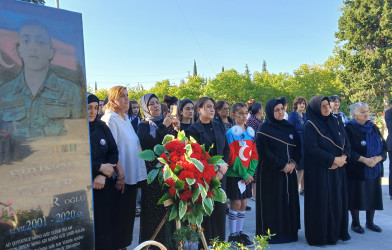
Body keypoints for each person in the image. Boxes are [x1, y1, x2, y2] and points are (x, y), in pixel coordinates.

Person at [0, 20, 82, 139]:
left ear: (51, 52)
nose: (33, 47)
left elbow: (78, 137)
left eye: (40, 41)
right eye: (26, 41)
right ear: (19, 50)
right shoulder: (4, 92)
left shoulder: (71, 91)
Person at [101, 86, 147, 249]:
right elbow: (112, 150)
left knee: (128, 218)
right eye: (123, 97)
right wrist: (120, 175)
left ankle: (124, 246)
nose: (127, 99)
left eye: (127, 96)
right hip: (120, 179)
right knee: (120, 218)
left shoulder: (125, 118)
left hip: (131, 176)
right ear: (113, 100)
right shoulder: (110, 119)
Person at [303, 95, 351, 246]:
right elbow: (312, 148)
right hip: (320, 171)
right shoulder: (310, 125)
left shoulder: (335, 121)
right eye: (322, 106)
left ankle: (336, 233)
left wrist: (344, 157)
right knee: (322, 203)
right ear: (316, 108)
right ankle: (321, 236)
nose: (326, 108)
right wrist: (332, 160)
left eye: (327, 105)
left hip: (338, 170)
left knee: (338, 201)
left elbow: (346, 141)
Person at [255, 98, 301, 244]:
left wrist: (293, 163)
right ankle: (272, 235)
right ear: (270, 111)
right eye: (276, 110)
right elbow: (264, 152)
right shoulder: (263, 129)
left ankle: (289, 232)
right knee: (273, 203)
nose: (281, 112)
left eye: (282, 109)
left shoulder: (290, 127)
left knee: (288, 201)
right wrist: (282, 165)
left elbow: (298, 148)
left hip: (289, 173)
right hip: (270, 173)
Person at [137, 93, 179, 249]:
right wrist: (164, 126)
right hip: (152, 174)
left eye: (157, 103)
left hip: (169, 171)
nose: (155, 106)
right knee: (154, 210)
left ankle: (169, 244)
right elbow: (148, 143)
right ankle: (153, 245)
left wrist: (175, 129)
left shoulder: (165, 121)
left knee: (168, 209)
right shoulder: (143, 125)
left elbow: (173, 143)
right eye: (151, 104)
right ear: (145, 108)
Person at [186, 97, 230, 244]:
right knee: (205, 211)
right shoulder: (192, 130)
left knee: (219, 210)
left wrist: (222, 168)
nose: (212, 110)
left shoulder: (218, 126)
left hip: (220, 176)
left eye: (213, 107)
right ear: (199, 109)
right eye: (208, 107)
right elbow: (196, 155)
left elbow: (225, 149)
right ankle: (205, 245)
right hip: (202, 177)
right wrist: (215, 167)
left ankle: (219, 243)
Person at [88, 94, 123, 250]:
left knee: (105, 226)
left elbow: (113, 151)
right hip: (86, 188)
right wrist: (98, 167)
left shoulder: (102, 126)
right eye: (89, 108)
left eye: (96, 108)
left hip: (103, 185)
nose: (93, 112)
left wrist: (102, 175)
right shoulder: (72, 129)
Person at [345, 102, 387, 234]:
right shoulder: (349, 128)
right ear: (354, 114)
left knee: (373, 195)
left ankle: (370, 222)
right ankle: (356, 223)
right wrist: (364, 160)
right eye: (362, 111)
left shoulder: (373, 127)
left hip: (374, 167)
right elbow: (348, 150)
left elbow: (384, 147)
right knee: (355, 196)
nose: (366, 113)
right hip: (357, 168)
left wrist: (378, 158)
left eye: (367, 111)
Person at [226, 103, 258, 248]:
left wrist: (250, 172)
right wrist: (244, 173)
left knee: (244, 203)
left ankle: (240, 233)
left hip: (247, 175)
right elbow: (232, 156)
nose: (244, 116)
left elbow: (254, 155)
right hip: (236, 174)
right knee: (236, 203)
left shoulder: (250, 133)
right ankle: (232, 235)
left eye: (246, 113)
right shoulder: (231, 133)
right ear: (233, 116)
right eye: (240, 113)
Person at [288, 97, 307, 195]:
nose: (302, 105)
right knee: (300, 167)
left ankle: (303, 189)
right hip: (297, 143)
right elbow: (290, 129)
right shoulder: (292, 115)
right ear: (296, 105)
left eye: (303, 103)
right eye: (300, 103)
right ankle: (294, 189)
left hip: (306, 143)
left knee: (304, 167)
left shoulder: (305, 115)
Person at [246, 101, 263, 200]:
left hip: (258, 147)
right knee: (255, 171)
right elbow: (252, 136)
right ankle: (254, 194)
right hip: (253, 148)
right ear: (259, 110)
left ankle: (256, 194)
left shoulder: (257, 120)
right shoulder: (252, 121)